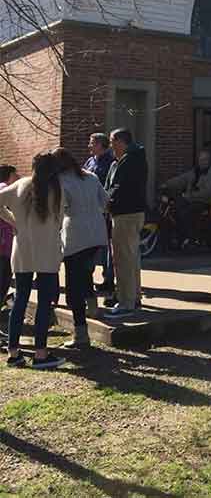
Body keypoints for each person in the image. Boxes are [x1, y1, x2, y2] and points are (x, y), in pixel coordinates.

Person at [0, 153, 66, 369]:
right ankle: (40, 353)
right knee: (45, 302)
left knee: (20, 300)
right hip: (47, 250)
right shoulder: (57, 189)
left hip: (22, 249)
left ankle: (13, 352)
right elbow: (59, 221)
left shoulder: (20, 185)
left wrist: (14, 221)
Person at [54, 148, 109, 348]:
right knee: (85, 272)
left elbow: (58, 212)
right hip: (96, 232)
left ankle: (81, 333)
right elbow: (105, 201)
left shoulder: (60, 181)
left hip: (75, 235)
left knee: (73, 286)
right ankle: (93, 307)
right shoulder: (91, 176)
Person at [104, 129, 147, 318]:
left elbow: (117, 189)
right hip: (131, 213)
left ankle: (126, 303)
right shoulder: (132, 159)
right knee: (131, 258)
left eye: (112, 141)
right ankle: (134, 297)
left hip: (125, 215)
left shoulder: (129, 161)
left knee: (123, 260)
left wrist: (106, 203)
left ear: (121, 141)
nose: (111, 145)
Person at [162, 150, 211, 248]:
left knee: (186, 212)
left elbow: (207, 192)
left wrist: (190, 195)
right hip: (191, 199)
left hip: (204, 201)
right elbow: (182, 179)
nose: (202, 162)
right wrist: (167, 184)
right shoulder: (195, 171)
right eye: (201, 160)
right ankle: (180, 236)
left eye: (205, 160)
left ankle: (191, 237)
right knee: (175, 208)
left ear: (209, 161)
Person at [84, 132, 115, 295]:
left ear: (101, 145)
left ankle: (109, 279)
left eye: (92, 143)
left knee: (106, 246)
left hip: (103, 209)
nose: (89, 146)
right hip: (90, 209)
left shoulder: (110, 162)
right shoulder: (90, 161)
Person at [0, 164, 19, 312]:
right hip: (4, 242)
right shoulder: (4, 188)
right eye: (15, 174)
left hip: (5, 241)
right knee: (4, 277)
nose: (17, 177)